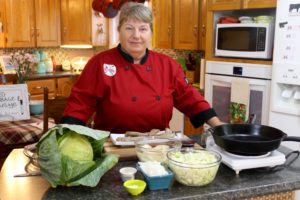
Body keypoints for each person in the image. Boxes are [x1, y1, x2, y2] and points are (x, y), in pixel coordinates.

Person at [61, 2, 223, 133]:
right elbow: (80, 103)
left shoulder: (168, 65)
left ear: (150, 33)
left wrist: (219, 126)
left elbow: (190, 97)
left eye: (143, 29)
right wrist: (67, 135)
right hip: (111, 145)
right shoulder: (100, 63)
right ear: (119, 31)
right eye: (129, 28)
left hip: (157, 145)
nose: (136, 36)